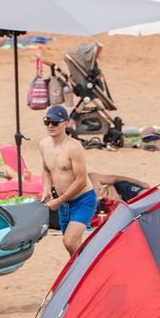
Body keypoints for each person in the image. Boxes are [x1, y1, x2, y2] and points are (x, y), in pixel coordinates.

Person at [39, 105, 93, 254]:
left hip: (83, 200)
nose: (50, 126)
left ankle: (87, 267)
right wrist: (47, 189)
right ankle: (83, 274)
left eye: (55, 122)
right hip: (64, 202)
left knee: (69, 241)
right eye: (47, 122)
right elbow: (46, 169)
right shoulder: (43, 144)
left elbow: (81, 181)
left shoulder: (74, 148)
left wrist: (58, 201)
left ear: (65, 123)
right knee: (73, 246)